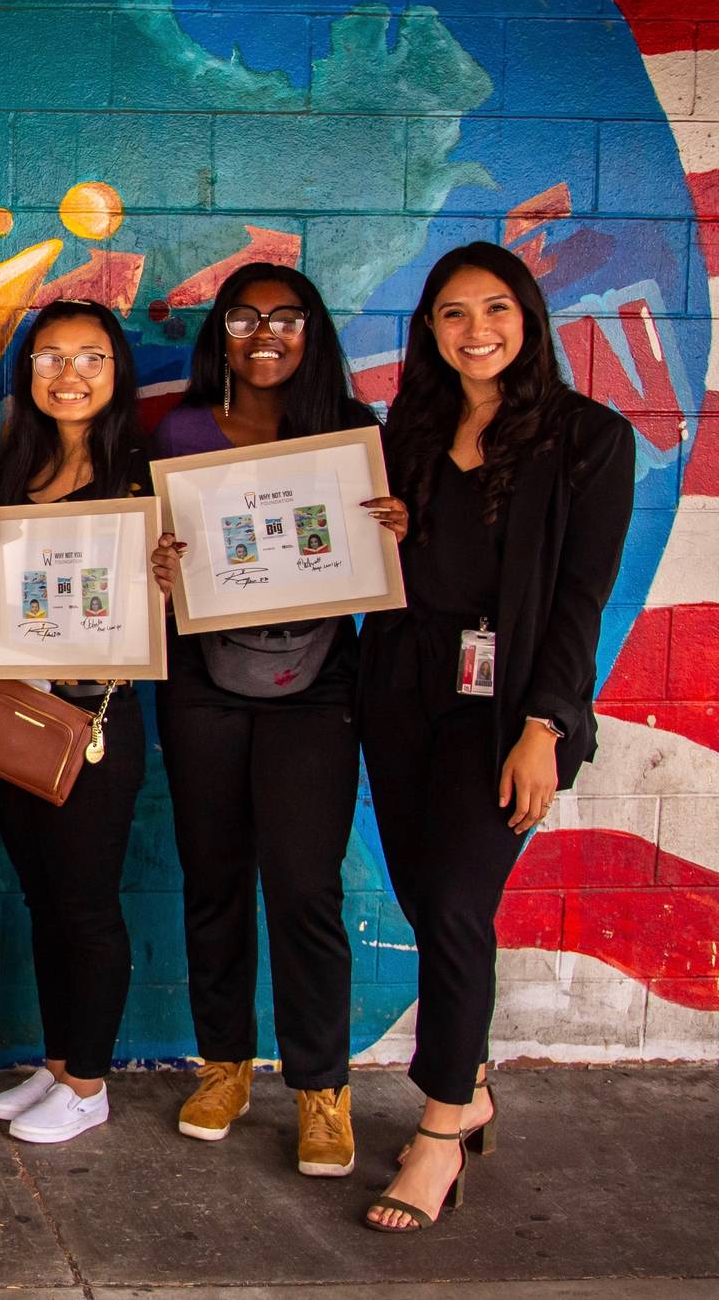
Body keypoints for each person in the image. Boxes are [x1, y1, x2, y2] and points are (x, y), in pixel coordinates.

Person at [357, 243, 633, 1232]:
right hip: (400, 690)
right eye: (452, 314)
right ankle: (468, 1084)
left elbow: (579, 599)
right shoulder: (406, 432)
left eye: (495, 309)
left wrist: (544, 728)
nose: (476, 331)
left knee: (458, 901)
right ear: (429, 330)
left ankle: (438, 1131)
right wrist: (384, 532)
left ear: (527, 317)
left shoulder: (587, 437)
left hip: (505, 705)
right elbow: (379, 564)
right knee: (427, 899)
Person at [147, 263, 408, 1176]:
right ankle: (223, 1065)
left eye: (286, 317)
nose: (265, 333)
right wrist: (158, 561)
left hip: (319, 682)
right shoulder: (180, 430)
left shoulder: (353, 431)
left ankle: (321, 1088)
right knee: (214, 879)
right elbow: (152, 559)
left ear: (312, 329)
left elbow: (387, 559)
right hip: (203, 679)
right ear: (219, 333)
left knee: (304, 887)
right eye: (245, 317)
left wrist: (395, 528)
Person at [0, 300, 151, 1145]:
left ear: (116, 371)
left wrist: (168, 572)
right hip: (19, 710)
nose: (69, 375)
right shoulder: (12, 469)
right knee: (44, 897)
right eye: (50, 358)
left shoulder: (143, 475)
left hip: (97, 717)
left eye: (90, 358)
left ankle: (89, 1083)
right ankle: (57, 1063)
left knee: (85, 903)